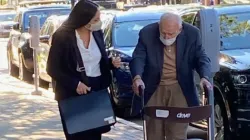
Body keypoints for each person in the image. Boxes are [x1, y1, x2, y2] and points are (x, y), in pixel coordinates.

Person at [129, 12, 212, 140]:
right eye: (163, 33)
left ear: (180, 29)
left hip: (179, 87)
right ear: (159, 26)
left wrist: (204, 77)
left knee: (177, 133)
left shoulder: (192, 34)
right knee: (154, 133)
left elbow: (201, 57)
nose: (167, 37)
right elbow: (138, 58)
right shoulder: (147, 33)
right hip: (154, 88)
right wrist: (137, 78)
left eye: (171, 34)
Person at [46, 0, 121, 140]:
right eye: (96, 19)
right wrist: (75, 84)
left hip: (96, 90)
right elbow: (52, 68)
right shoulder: (62, 36)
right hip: (72, 93)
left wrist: (111, 63)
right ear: (84, 19)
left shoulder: (97, 33)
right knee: (77, 134)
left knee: (95, 134)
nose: (99, 22)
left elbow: (98, 59)